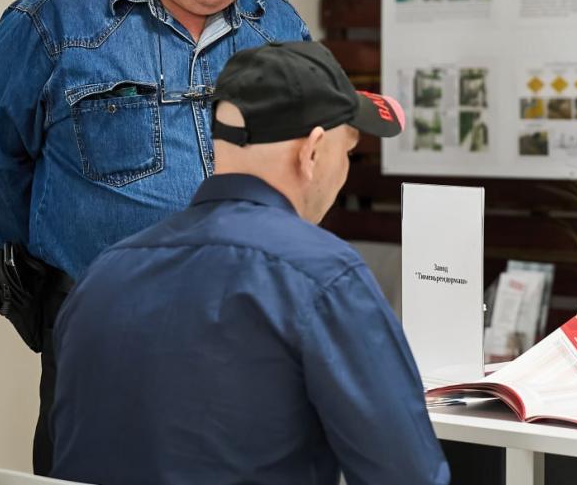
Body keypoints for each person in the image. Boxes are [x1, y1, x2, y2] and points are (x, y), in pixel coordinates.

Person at [0, 0, 310, 474]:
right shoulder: (53, 22)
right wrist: (68, 264)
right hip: (104, 341)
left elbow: (306, 164)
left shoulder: (280, 27)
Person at [50, 42, 450, 485]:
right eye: (349, 153)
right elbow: (406, 475)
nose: (345, 170)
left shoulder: (103, 275)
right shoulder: (324, 276)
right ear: (312, 152)